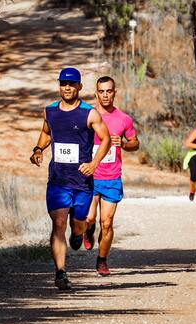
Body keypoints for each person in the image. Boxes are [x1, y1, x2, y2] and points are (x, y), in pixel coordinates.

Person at [30, 67, 111, 290]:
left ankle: (79, 233)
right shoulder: (50, 111)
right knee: (58, 224)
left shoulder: (89, 113)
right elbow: (47, 132)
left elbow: (106, 140)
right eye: (63, 84)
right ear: (59, 86)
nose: (67, 87)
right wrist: (38, 149)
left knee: (77, 225)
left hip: (82, 184)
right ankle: (60, 272)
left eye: (72, 84)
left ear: (79, 87)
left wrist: (94, 164)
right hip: (58, 181)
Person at [83, 76, 139, 276]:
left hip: (112, 177)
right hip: (90, 176)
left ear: (114, 92)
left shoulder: (123, 119)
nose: (105, 95)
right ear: (96, 93)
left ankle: (102, 260)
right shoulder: (88, 115)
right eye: (101, 91)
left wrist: (123, 144)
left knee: (106, 223)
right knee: (89, 218)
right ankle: (88, 230)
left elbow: (135, 143)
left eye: (109, 91)